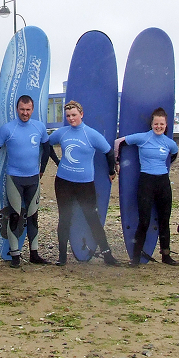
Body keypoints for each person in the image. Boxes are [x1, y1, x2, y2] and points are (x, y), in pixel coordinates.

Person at [49, 101, 118, 266]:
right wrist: (57, 161)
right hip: (63, 182)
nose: (71, 118)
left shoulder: (91, 134)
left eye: (74, 115)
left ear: (81, 114)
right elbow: (46, 144)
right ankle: (62, 257)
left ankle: (107, 255)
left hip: (85, 184)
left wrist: (111, 172)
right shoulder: (62, 133)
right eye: (68, 116)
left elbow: (108, 151)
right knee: (64, 218)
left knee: (92, 218)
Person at [0, 95, 52, 268]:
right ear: (17, 109)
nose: (25, 113)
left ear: (32, 110)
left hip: (33, 178)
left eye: (28, 110)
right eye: (22, 109)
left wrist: (42, 169)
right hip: (14, 179)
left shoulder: (39, 127)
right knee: (15, 216)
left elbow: (47, 148)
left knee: (33, 216)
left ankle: (34, 253)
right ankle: (15, 254)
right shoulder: (7, 129)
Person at [116, 107, 179, 266]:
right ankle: (135, 258)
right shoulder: (143, 138)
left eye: (162, 124)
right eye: (156, 124)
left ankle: (166, 255)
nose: (159, 126)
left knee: (164, 220)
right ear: (151, 124)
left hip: (163, 182)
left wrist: (163, 167)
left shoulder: (169, 143)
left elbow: (174, 154)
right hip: (146, 182)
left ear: (166, 125)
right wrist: (116, 162)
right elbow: (118, 142)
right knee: (144, 221)